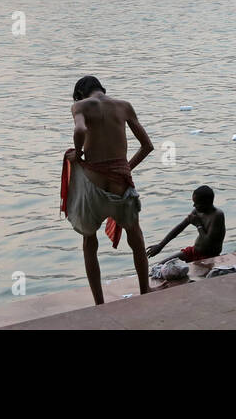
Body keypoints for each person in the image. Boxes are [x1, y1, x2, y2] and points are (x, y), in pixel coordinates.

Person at [64, 75, 154, 305]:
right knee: (136, 237)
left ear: (80, 94)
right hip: (120, 183)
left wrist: (79, 152)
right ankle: (145, 290)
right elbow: (147, 146)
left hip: (93, 183)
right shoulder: (123, 106)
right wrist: (125, 168)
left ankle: (99, 303)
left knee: (89, 242)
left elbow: (80, 129)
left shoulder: (80, 106)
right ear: (101, 89)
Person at [147, 185, 226, 262]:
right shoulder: (197, 212)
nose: (194, 205)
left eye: (197, 203)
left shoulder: (217, 215)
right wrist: (160, 246)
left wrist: (198, 225)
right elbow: (180, 227)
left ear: (207, 202)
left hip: (209, 257)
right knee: (161, 265)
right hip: (193, 251)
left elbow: (208, 243)